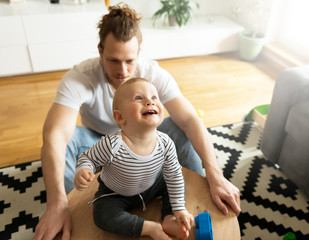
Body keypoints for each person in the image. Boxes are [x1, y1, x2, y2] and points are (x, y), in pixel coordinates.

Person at [34, 2, 240, 240]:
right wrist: (55, 202)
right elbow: (54, 136)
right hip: (99, 140)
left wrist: (216, 175)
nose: (122, 70)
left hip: (145, 138)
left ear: (139, 54)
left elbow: (190, 119)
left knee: (179, 128)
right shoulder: (80, 77)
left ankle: (187, 203)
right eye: (113, 60)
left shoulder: (154, 74)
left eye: (129, 61)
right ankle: (68, 211)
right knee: (64, 143)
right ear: (100, 51)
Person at [74, 78, 194, 240]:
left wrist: (179, 208)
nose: (149, 102)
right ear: (120, 117)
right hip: (115, 193)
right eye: (139, 98)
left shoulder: (165, 142)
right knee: (102, 215)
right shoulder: (112, 144)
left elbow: (173, 176)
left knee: (175, 181)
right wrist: (84, 169)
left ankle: (168, 218)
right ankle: (150, 228)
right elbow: (88, 158)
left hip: (151, 185)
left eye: (154, 98)